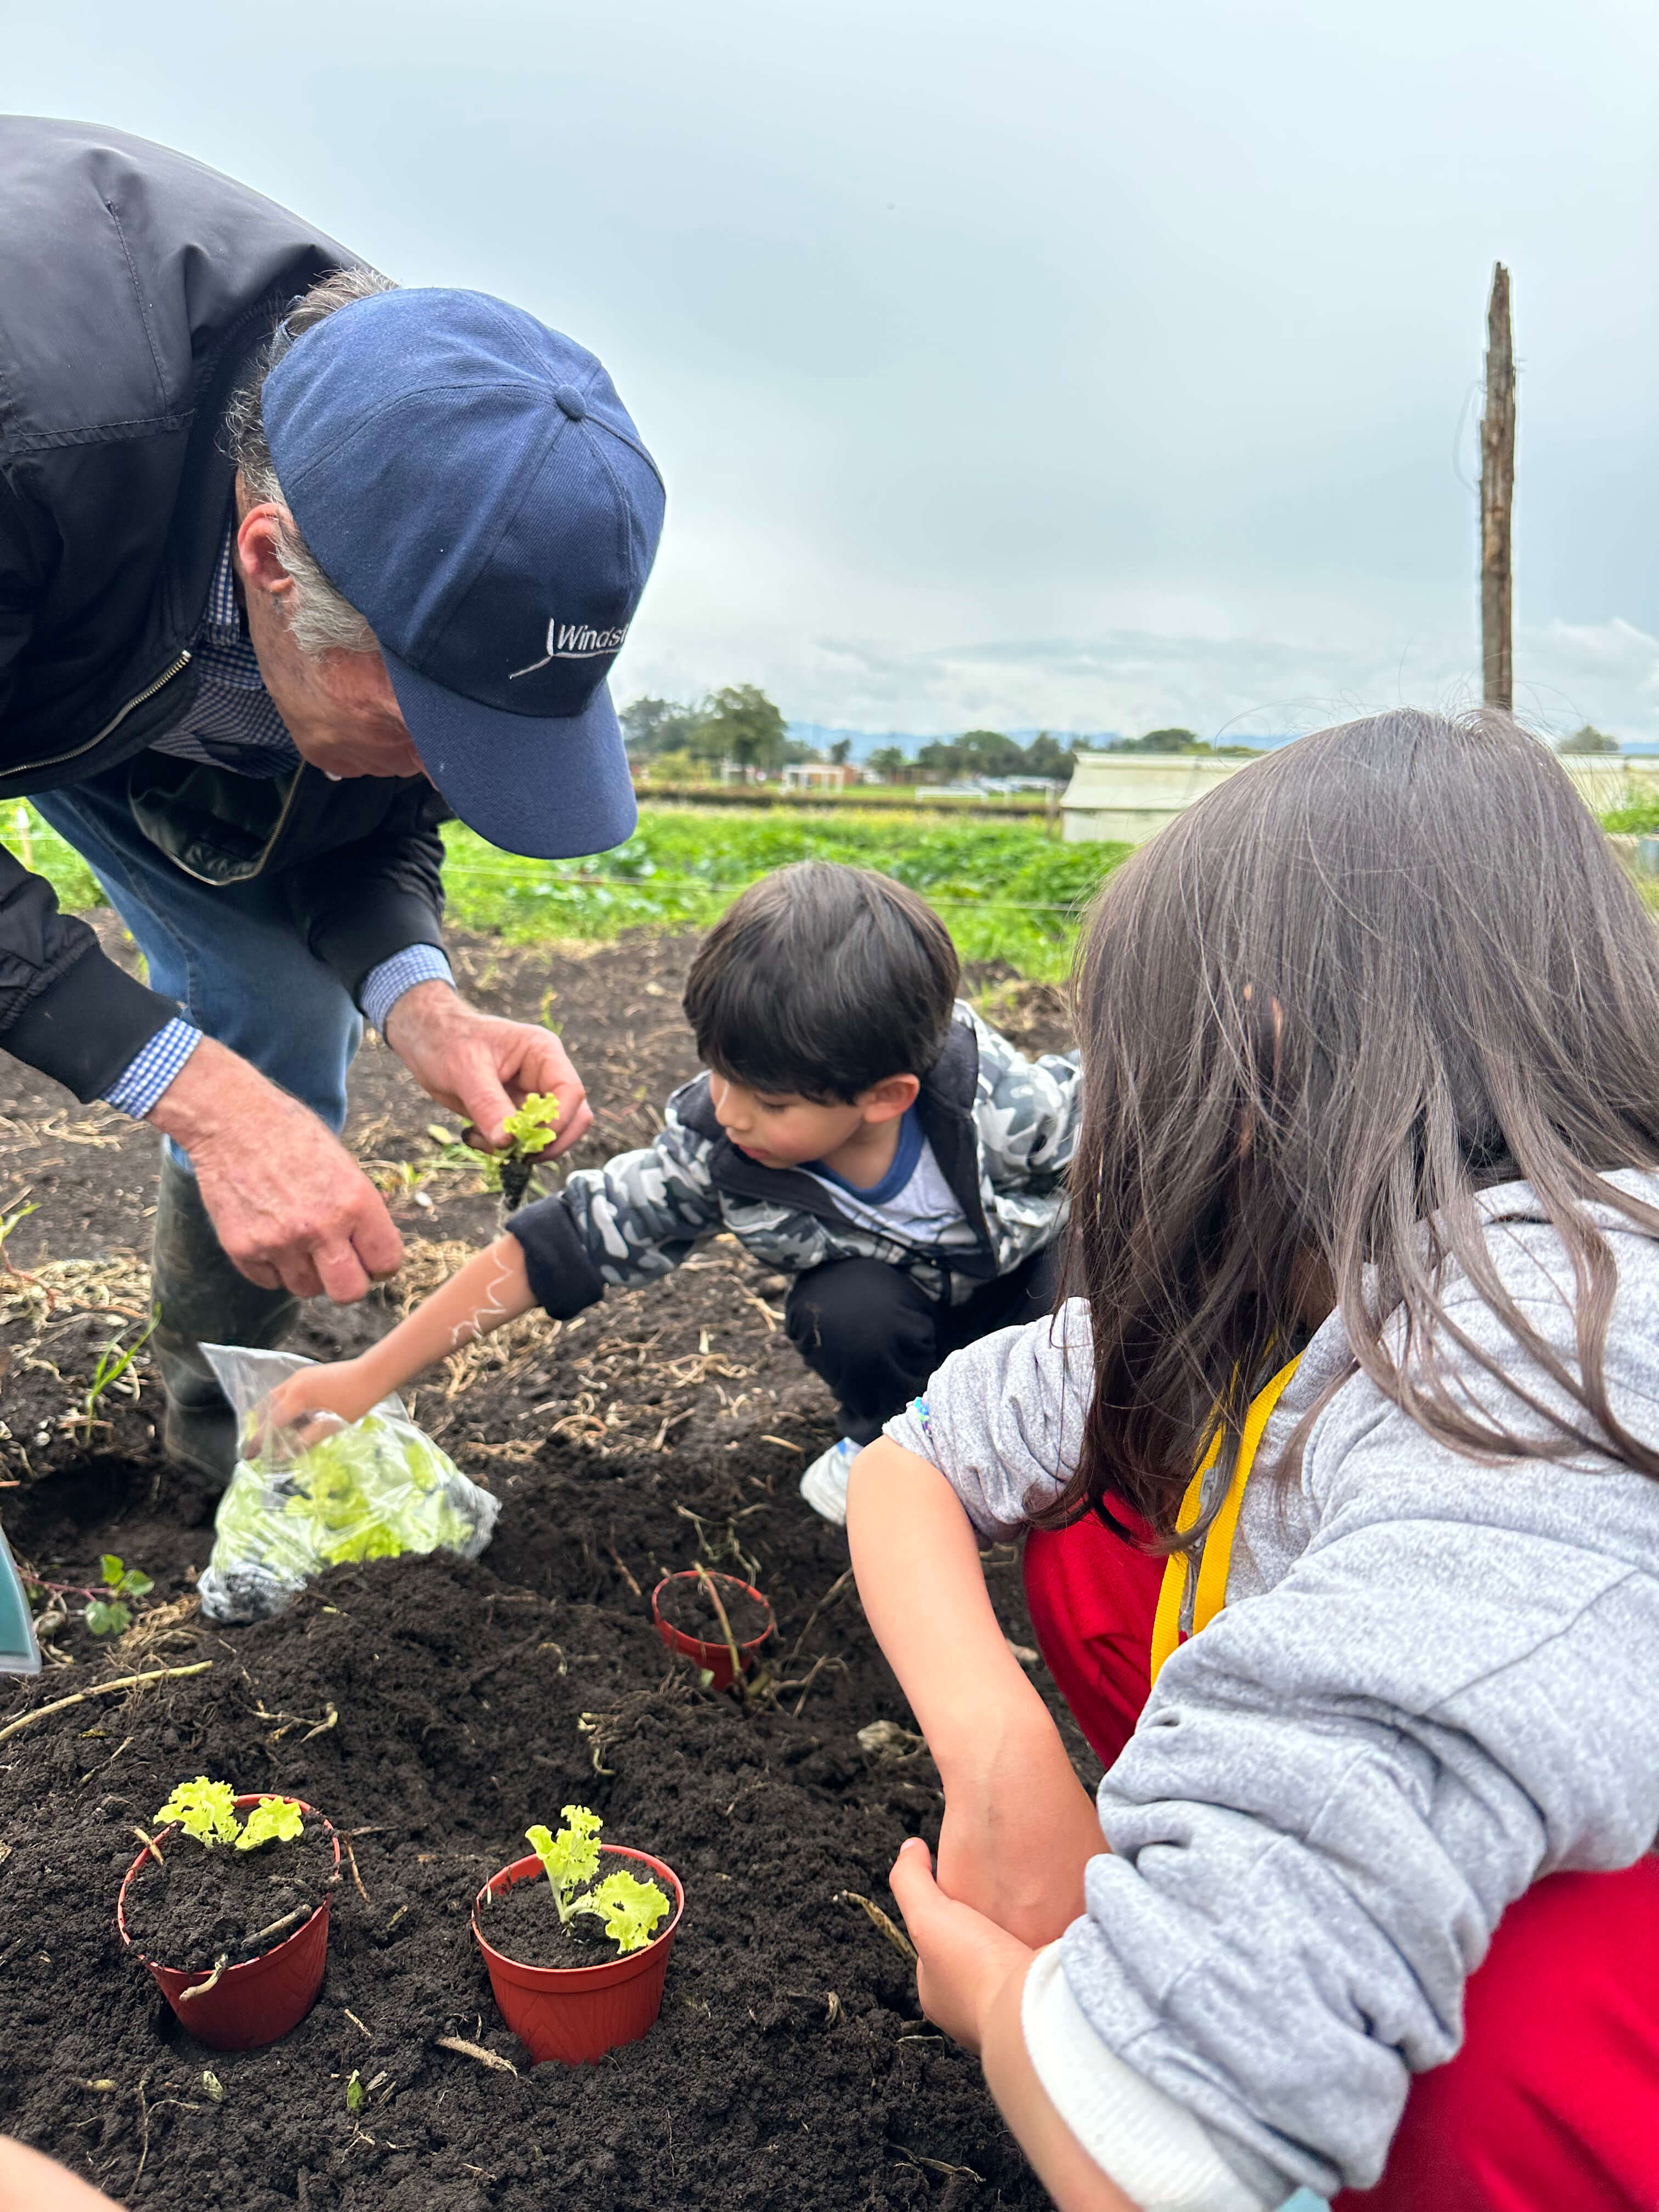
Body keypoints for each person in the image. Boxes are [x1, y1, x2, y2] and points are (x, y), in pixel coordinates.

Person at [847, 710, 1659, 2211]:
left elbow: (1151, 2134)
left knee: (1515, 2024)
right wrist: (1002, 1751)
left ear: (1258, 1068)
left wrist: (1017, 2015)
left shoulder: (1565, 1337)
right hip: (1338, 1820)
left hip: (1568, 2070)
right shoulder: (1287, 1276)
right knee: (1109, 1492)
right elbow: (915, 1461)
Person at [0, 119, 664, 1485]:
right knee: (238, 1090)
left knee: (285, 1022)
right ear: (272, 561)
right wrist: (199, 1099)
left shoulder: (411, 452)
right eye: (422, 727)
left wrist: (417, 995)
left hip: (135, 667)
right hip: (58, 605)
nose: (440, 778)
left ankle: (219, 1438)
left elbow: (377, 802)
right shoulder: (35, 436)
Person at [268, 860, 1081, 1521]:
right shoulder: (720, 1154)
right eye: (721, 1078)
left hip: (1024, 1299)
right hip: (895, 1329)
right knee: (848, 1310)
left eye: (771, 1103)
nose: (731, 1114)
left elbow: (1149, 1137)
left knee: (1087, 1291)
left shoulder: (1007, 1114)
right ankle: (890, 1447)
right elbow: (565, 1245)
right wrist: (366, 1378)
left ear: (886, 1098)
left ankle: (1053, 1437)